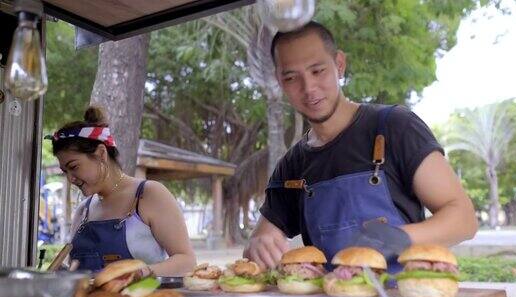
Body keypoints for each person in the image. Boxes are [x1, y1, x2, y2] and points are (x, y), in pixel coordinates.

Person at [244, 21, 478, 273]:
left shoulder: (395, 127)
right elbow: (260, 243)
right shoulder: (292, 165)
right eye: (291, 78)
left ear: (339, 65)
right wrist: (258, 246)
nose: (309, 88)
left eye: (318, 71)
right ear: (280, 82)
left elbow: (464, 219)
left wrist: (396, 238)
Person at [47, 106, 196, 275]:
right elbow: (77, 273)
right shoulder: (83, 210)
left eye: (73, 167)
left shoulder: (148, 195)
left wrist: (141, 274)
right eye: (65, 172)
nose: (70, 178)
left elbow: (186, 261)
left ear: (101, 154)